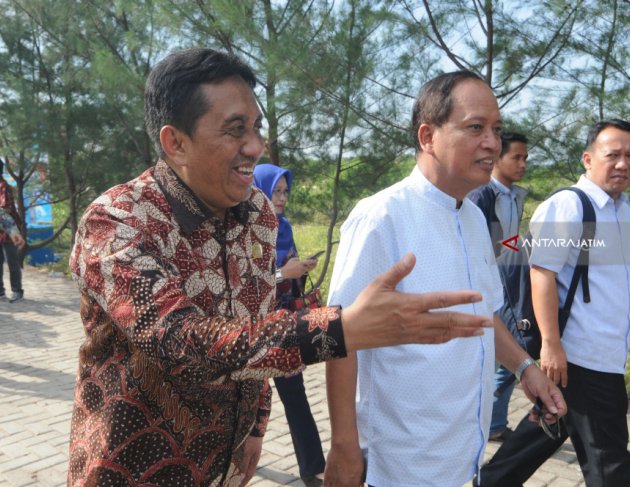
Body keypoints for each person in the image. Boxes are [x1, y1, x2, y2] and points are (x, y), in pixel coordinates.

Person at [66, 49, 493, 487]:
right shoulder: (117, 221)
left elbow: (257, 321)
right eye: (235, 131)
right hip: (133, 468)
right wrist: (338, 329)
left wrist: (254, 424)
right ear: (175, 143)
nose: (255, 146)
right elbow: (181, 341)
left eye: (256, 128)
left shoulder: (256, 213)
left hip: (226, 465)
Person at [324, 71, 566, 487]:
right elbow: (337, 336)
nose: (492, 142)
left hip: (461, 457)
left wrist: (526, 368)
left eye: (496, 129)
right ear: (427, 136)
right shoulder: (382, 218)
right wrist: (344, 448)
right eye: (475, 128)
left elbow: (484, 314)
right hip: (401, 461)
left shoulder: (472, 216)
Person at [478, 119, 630, 487]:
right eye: (612, 154)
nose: (623, 163)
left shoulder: (622, 209)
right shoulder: (569, 205)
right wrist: (551, 346)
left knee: (546, 428)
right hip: (581, 354)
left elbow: (613, 279)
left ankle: (490, 482)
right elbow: (542, 273)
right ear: (588, 159)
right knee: (610, 460)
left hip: (605, 351)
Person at [253, 163, 325, 487]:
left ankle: (313, 469)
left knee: (295, 395)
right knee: (248, 396)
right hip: (250, 326)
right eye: (275, 191)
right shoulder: (246, 230)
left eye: (285, 191)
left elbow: (288, 272)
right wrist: (284, 273)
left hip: (282, 322)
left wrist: (300, 268)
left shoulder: (284, 228)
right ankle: (236, 456)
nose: (281, 198)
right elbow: (247, 284)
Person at [468, 132, 530, 441]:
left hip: (509, 281)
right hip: (492, 284)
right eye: (516, 157)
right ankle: (490, 424)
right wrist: (519, 243)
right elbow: (487, 245)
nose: (522, 164)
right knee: (508, 351)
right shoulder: (482, 195)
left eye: (525, 158)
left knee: (502, 353)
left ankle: (490, 422)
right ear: (498, 159)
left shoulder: (515, 195)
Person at [0, 161, 24, 302]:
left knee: (12, 262)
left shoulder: (5, 188)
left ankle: (17, 291)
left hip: (9, 232)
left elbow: (7, 210)